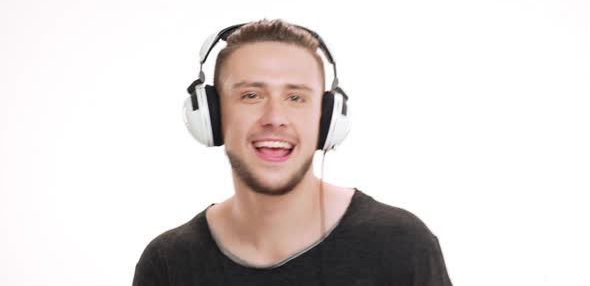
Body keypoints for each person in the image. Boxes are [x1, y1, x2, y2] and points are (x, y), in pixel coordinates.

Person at [132, 19, 453, 285]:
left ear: (326, 119)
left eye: (296, 98)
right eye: (251, 95)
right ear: (212, 115)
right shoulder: (168, 263)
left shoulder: (401, 246)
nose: (274, 118)